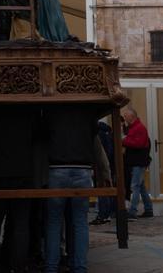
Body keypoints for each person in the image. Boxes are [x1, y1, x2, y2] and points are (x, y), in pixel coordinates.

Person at [0, 105, 39, 272]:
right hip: (23, 172)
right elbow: (36, 137)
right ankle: (18, 266)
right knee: (21, 224)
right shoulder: (28, 109)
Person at [43, 104, 99, 273]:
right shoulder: (87, 109)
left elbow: (44, 133)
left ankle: (51, 267)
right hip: (82, 169)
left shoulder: (52, 109)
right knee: (80, 222)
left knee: (54, 221)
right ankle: (79, 267)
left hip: (57, 168)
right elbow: (93, 133)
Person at [121, 107, 153, 219]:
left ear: (132, 116)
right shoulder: (134, 127)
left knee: (134, 186)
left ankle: (132, 211)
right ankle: (149, 209)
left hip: (138, 162)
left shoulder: (139, 128)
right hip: (137, 161)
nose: (124, 117)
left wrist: (123, 140)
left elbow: (138, 144)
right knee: (141, 186)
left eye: (125, 115)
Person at [90, 120, 116, 225]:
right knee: (107, 189)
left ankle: (103, 214)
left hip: (101, 165)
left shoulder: (98, 134)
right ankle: (107, 213)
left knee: (102, 190)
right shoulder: (106, 133)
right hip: (107, 165)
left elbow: (101, 152)